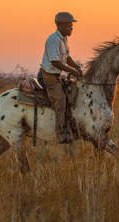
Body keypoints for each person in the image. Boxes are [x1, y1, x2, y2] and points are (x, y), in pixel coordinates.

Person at [39, 12, 82, 144]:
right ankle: (60, 134)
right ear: (61, 25)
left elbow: (67, 58)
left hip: (57, 76)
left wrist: (77, 67)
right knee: (61, 100)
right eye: (69, 25)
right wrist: (73, 71)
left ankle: (70, 128)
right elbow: (55, 62)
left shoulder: (63, 39)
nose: (71, 27)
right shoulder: (54, 40)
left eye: (71, 25)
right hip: (49, 77)